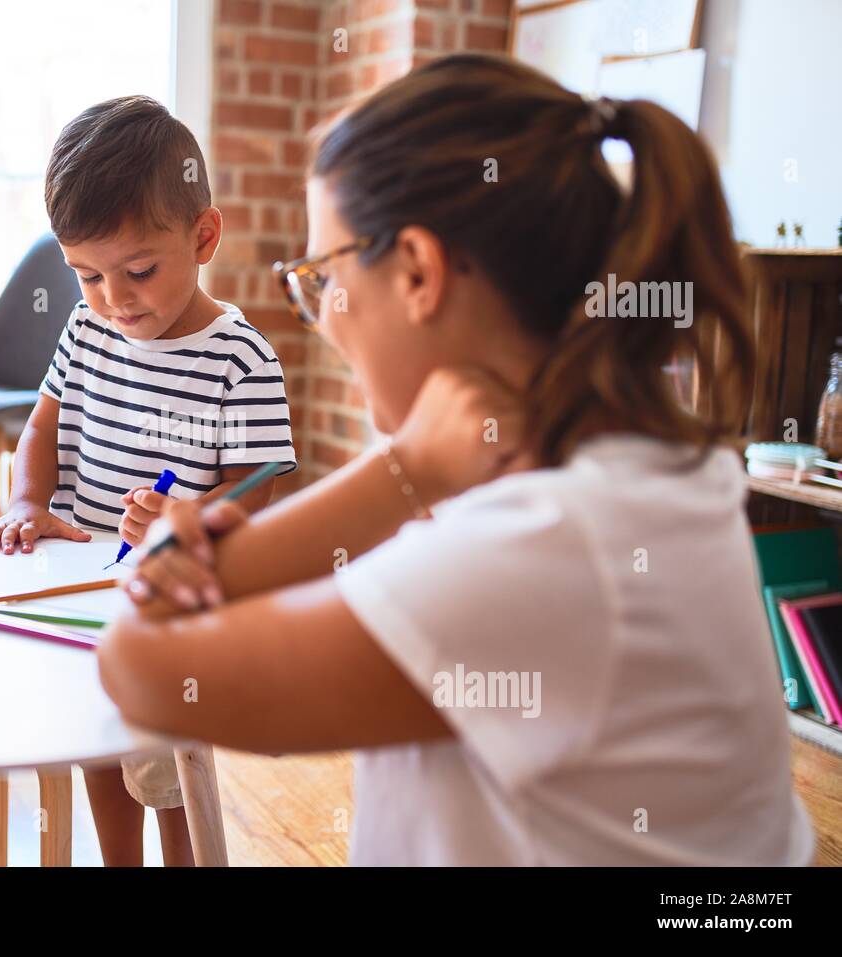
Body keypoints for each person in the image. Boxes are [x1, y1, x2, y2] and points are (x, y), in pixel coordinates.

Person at [97, 54, 815, 866]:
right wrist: (411, 474)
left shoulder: (547, 542)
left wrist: (400, 472)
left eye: (318, 277)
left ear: (417, 272)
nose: (318, 318)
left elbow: (138, 668)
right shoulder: (647, 466)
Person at [0, 95, 297, 865]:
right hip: (86, 590)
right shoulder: (87, 330)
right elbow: (43, 427)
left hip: (174, 601)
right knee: (97, 741)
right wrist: (27, 499)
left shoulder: (241, 358)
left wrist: (187, 519)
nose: (114, 299)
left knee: (165, 761)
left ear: (204, 235)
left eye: (139, 270)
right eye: (87, 274)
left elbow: (261, 484)